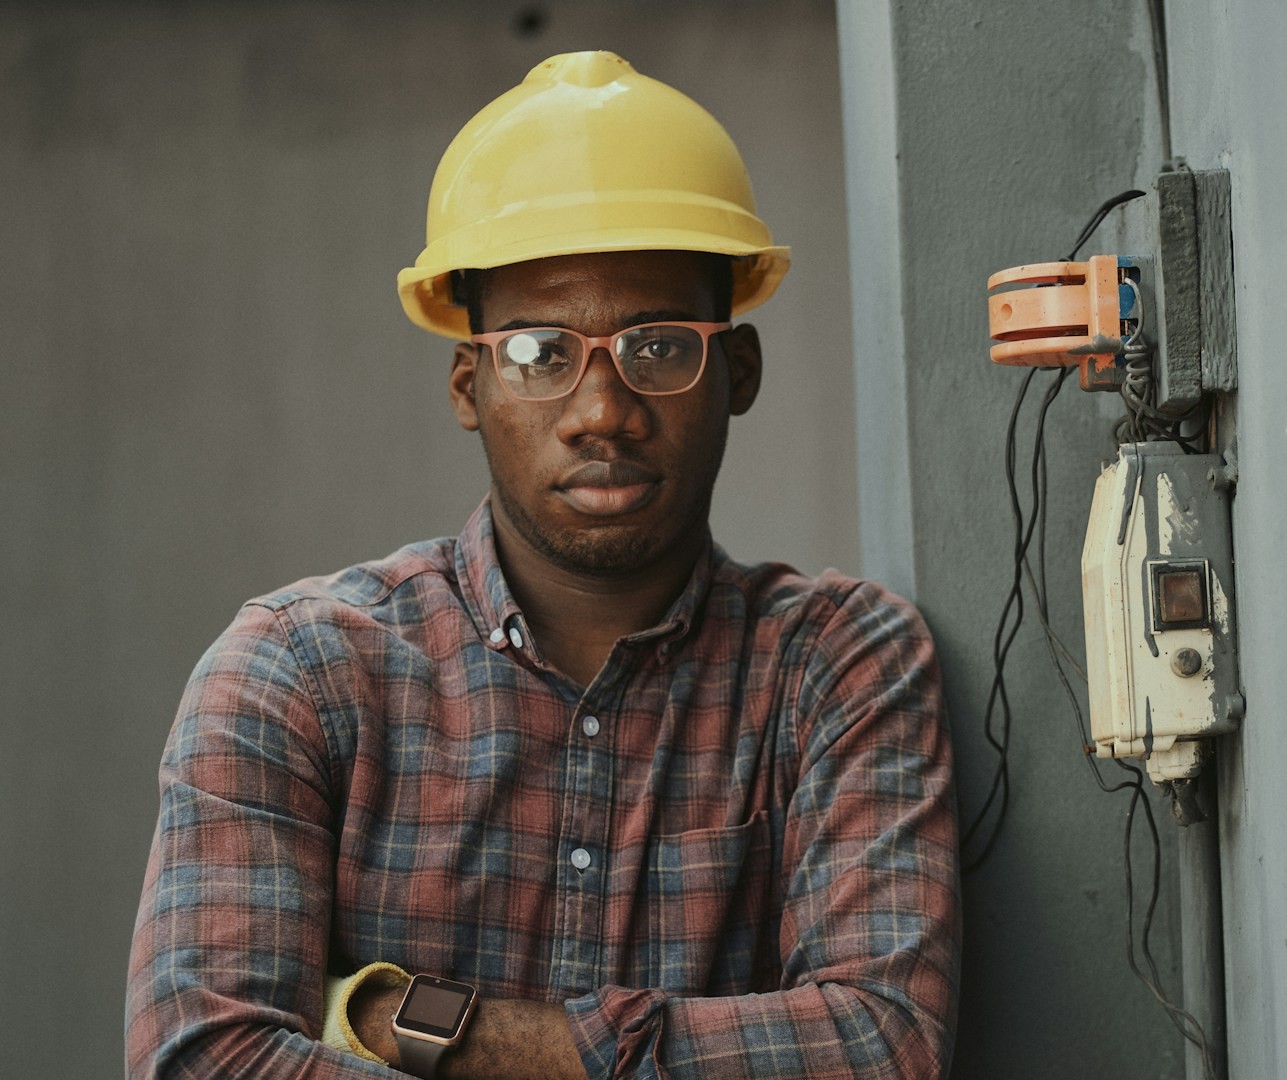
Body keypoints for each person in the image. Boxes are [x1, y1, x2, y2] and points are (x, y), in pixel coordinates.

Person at [125, 51, 958, 1080]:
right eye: (538, 354)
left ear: (737, 373)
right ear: (468, 385)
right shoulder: (297, 674)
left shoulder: (836, 663)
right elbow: (207, 1061)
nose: (602, 412)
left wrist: (420, 1024)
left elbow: (880, 1046)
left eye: (659, 346)